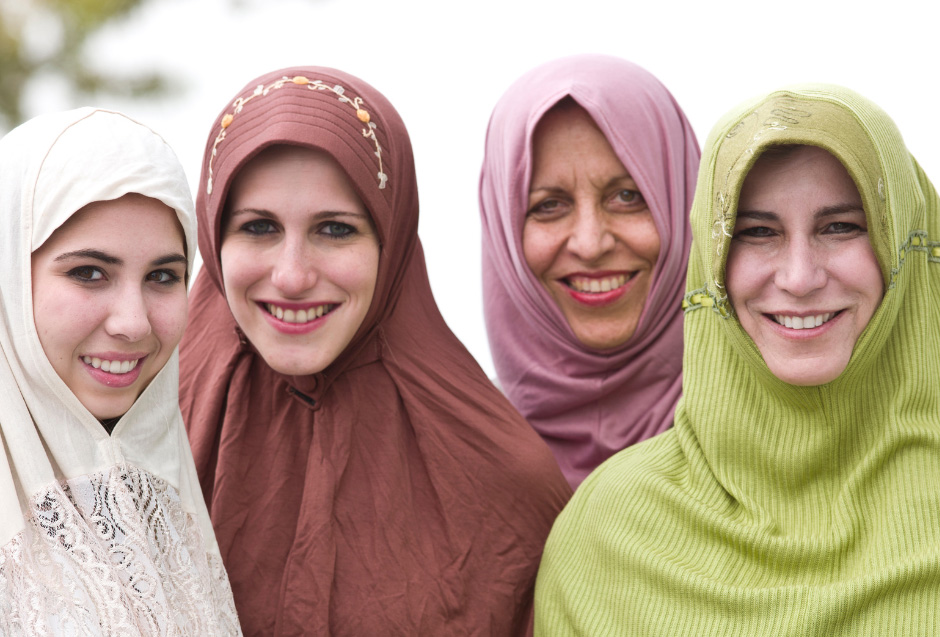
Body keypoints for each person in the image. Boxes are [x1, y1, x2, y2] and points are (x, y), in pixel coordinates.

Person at [534, 84, 940, 634]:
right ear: (712, 263)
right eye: (757, 233)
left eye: (840, 226)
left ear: (904, 242)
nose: (799, 278)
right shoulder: (610, 528)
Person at [179, 67, 571, 636]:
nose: (291, 276)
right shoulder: (134, 437)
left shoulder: (502, 477)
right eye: (258, 227)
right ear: (213, 242)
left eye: (335, 230)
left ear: (391, 240)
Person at [0, 108, 239, 634]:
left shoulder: (164, 504)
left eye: (162, 276)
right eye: (89, 273)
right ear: (10, 277)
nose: (134, 324)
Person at [479, 54, 700, 488]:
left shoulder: (776, 428)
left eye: (627, 196)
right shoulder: (448, 456)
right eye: (549, 205)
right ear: (503, 232)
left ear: (684, 200)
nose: (590, 243)